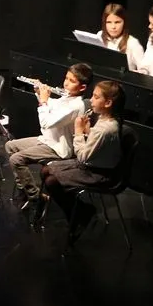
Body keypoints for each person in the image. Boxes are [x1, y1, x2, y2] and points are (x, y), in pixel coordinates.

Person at [38, 80, 126, 241]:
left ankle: (79, 214)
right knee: (45, 171)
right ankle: (78, 211)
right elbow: (96, 145)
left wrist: (78, 133)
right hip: (92, 164)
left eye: (96, 97)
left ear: (108, 103)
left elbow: (83, 157)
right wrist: (88, 131)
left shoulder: (105, 129)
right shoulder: (106, 120)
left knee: (51, 181)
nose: (91, 100)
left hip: (99, 173)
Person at [5, 63, 92, 209]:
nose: (66, 83)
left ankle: (35, 197)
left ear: (82, 87)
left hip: (59, 148)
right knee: (10, 146)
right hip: (48, 140)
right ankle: (24, 190)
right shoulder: (67, 97)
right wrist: (40, 92)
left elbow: (46, 123)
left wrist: (44, 101)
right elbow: (52, 105)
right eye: (66, 78)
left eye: (71, 81)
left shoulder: (76, 106)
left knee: (16, 159)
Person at [98, 3, 144, 71]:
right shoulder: (100, 36)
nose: (113, 27)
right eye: (109, 22)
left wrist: (129, 73)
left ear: (124, 22)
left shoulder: (132, 43)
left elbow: (144, 71)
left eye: (117, 22)